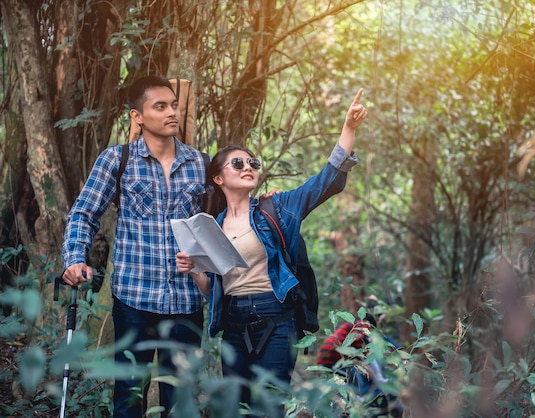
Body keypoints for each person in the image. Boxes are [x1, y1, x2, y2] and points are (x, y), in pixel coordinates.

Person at [176, 89, 367, 416]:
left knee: (269, 407)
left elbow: (324, 183)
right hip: (234, 325)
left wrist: (348, 128)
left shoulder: (276, 208)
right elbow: (213, 289)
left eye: (253, 162)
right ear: (219, 177)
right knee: (235, 409)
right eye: (238, 163)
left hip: (276, 319)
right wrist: (193, 268)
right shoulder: (212, 226)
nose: (248, 166)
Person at [62, 75, 209, 417]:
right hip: (134, 300)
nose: (171, 112)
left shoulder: (201, 163)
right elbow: (83, 214)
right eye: (160, 106)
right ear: (137, 116)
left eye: (173, 105)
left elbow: (227, 214)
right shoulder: (118, 160)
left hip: (186, 303)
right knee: (129, 400)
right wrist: (74, 258)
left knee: (180, 402)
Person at [316, 314, 403, 417]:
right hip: (335, 358)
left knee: (342, 385)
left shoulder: (350, 327)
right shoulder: (362, 326)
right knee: (355, 383)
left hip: (327, 360)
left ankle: (346, 408)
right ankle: (355, 403)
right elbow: (355, 343)